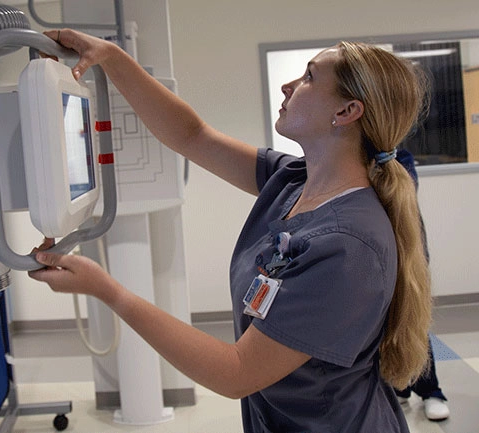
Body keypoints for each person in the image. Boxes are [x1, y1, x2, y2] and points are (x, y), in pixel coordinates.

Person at [28, 28, 433, 432]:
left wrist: (107, 290)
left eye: (309, 77)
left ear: (346, 112)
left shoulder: (349, 247)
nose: (289, 85)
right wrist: (112, 58)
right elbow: (192, 136)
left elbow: (235, 372)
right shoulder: (295, 181)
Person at [394, 149, 450, 422]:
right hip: (372, 255)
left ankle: (431, 392)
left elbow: (399, 195)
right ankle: (400, 386)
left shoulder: (397, 158)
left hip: (407, 253)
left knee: (412, 324)